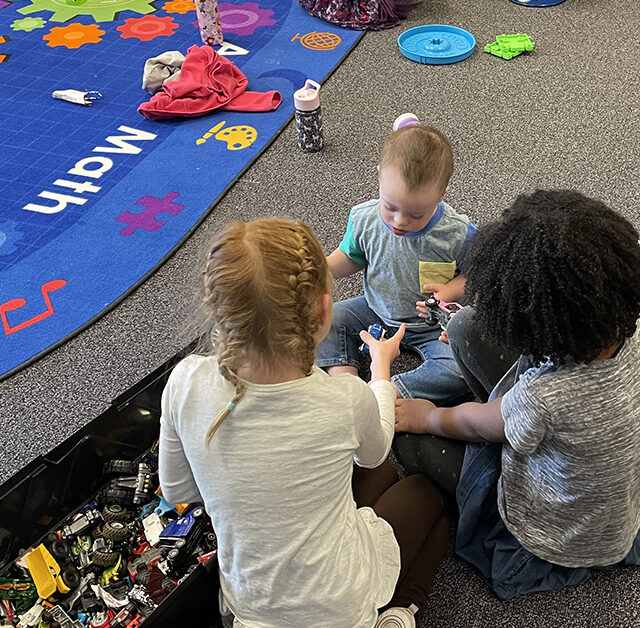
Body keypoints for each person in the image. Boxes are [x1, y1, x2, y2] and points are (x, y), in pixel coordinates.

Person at [394, 190, 640, 600]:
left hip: (549, 535)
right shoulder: (637, 333)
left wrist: (425, 417)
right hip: (609, 506)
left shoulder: (544, 395)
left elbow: (474, 423)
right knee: (466, 328)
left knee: (407, 442)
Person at [159, 218, 448, 628]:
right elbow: (375, 450)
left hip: (252, 606)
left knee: (377, 479)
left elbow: (178, 490)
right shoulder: (344, 398)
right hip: (340, 605)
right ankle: (399, 612)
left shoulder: (185, 380)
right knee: (425, 493)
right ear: (324, 310)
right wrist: (381, 371)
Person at [317, 121, 475, 405]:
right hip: (375, 308)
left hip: (431, 328)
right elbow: (352, 257)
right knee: (323, 317)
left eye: (417, 215)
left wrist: (452, 289)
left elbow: (480, 273)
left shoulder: (457, 232)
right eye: (389, 207)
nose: (400, 221)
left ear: (441, 196)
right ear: (379, 178)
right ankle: (346, 383)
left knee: (461, 371)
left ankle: (389, 393)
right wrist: (321, 269)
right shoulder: (363, 218)